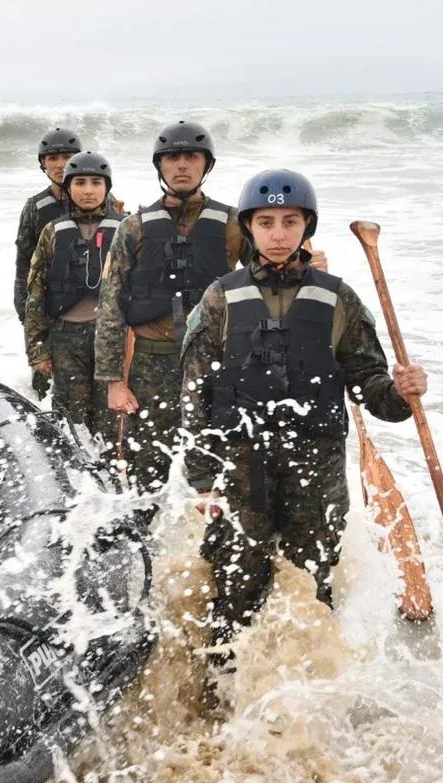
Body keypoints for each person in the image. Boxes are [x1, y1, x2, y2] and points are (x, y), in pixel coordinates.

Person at [181, 171, 426, 642]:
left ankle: (311, 674)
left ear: (306, 226)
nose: (278, 234)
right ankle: (226, 676)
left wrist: (402, 393)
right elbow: (195, 393)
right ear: (249, 227)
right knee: (237, 587)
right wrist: (202, 481)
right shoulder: (220, 298)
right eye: (266, 222)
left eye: (290, 222)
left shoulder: (338, 298)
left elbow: (372, 389)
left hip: (316, 469)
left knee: (312, 588)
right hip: (242, 466)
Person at [95, 121, 330, 490]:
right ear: (160, 165)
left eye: (192, 157)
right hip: (151, 366)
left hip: (219, 364)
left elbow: (272, 278)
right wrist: (113, 381)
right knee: (147, 470)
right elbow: (111, 305)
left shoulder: (237, 223)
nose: (182, 165)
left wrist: (305, 269)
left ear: (207, 165)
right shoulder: (133, 227)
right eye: (173, 158)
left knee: (219, 465)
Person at [23, 152, 123, 441]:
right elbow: (36, 293)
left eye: (96, 183)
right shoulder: (52, 231)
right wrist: (37, 350)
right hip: (66, 338)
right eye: (80, 183)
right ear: (68, 187)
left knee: (111, 420)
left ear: (106, 187)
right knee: (70, 419)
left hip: (111, 340)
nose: (88, 190)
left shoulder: (126, 228)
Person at [14, 126, 84, 398]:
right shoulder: (35, 207)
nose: (60, 164)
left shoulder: (103, 199)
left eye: (67, 157)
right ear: (42, 163)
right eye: (52, 158)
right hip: (48, 309)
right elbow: (23, 266)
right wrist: (26, 316)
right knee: (44, 390)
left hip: (89, 311)